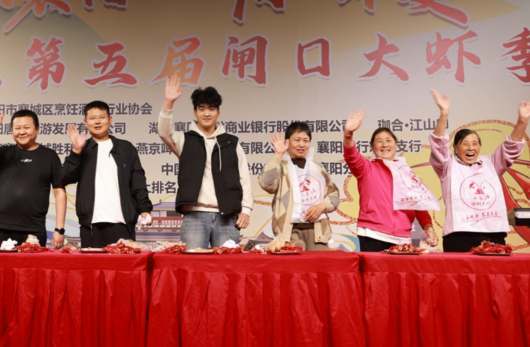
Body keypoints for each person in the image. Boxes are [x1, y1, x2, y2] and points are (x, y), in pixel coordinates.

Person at [429, 89, 530, 252]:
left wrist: (522, 121)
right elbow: (439, 146)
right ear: (456, 148)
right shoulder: (448, 166)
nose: (471, 147)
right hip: (459, 236)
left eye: (475, 143)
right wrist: (444, 114)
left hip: (493, 233)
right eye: (465, 143)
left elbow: (511, 147)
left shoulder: (491, 163)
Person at [159, 75, 253, 249]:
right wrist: (168, 102)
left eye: (211, 109)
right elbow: (164, 132)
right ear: (195, 112)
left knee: (227, 263)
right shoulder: (185, 140)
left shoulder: (231, 142)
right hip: (194, 217)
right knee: (192, 263)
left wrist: (246, 210)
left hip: (227, 217)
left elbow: (244, 178)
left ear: (218, 112)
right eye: (202, 109)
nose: (207, 113)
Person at [60, 101, 153, 247]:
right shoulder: (82, 149)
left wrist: (144, 209)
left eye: (102, 117)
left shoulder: (126, 148)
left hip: (121, 221)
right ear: (85, 122)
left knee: (123, 261)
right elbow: (64, 178)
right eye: (92, 118)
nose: (97, 122)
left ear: (110, 120)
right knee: (92, 262)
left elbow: (138, 181)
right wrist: (76, 151)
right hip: (91, 223)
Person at [344, 111, 440, 252]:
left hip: (402, 238)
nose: (384, 144)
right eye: (379, 141)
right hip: (372, 234)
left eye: (389, 140)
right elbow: (351, 156)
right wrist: (348, 134)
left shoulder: (406, 173)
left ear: (396, 145)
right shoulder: (366, 168)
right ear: (372, 147)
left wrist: (428, 227)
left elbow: (418, 204)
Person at [0, 106, 66, 248]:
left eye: (26, 127)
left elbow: (59, 192)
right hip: (1, 227)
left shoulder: (49, 156)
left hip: (34, 229)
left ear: (37, 129)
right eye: (17, 128)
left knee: (32, 263)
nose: (22, 132)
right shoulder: (5, 152)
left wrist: (59, 229)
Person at [258, 122, 339, 251]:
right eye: (297, 140)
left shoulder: (318, 168)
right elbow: (266, 184)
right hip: (289, 231)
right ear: (287, 142)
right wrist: (278, 154)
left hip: (317, 231)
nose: (302, 144)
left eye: (306, 140)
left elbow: (333, 194)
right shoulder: (281, 167)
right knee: (293, 264)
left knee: (319, 264)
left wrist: (322, 206)